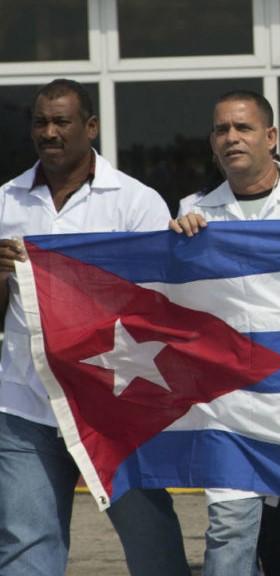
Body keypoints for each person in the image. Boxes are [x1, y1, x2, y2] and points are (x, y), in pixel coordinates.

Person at [0, 79, 190, 576]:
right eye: (41, 122)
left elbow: (162, 306)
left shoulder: (135, 201)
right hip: (25, 403)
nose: (49, 132)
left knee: (151, 541)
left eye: (61, 122)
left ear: (91, 127)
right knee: (25, 546)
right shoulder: (5, 202)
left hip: (116, 405)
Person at [171, 90, 280, 576]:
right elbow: (179, 306)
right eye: (221, 130)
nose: (231, 137)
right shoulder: (194, 210)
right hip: (232, 407)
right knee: (229, 537)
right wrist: (177, 247)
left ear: (271, 137)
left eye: (243, 127)